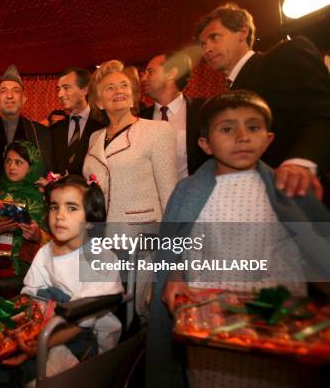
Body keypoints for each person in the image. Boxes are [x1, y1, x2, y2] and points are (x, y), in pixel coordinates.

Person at [146, 91, 330, 387]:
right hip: (209, 330)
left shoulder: (287, 190)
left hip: (276, 329)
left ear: (268, 139)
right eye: (227, 128)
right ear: (205, 144)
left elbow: (319, 255)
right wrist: (175, 277)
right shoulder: (187, 191)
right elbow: (174, 248)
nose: (242, 136)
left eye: (253, 127)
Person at [0, 174, 124, 387]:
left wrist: (40, 345)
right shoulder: (46, 251)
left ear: (90, 220)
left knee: (4, 377)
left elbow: (82, 323)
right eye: (54, 207)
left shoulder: (100, 259)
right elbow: (29, 294)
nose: (59, 216)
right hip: (41, 321)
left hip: (82, 334)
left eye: (71, 208)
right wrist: (1, 315)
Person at [196, 2, 330, 199]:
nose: (206, 49)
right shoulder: (224, 95)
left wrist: (300, 163)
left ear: (242, 32)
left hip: (299, 201)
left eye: (214, 37)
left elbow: (321, 113)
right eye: (203, 44)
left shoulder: (284, 55)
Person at [83, 59, 177, 318]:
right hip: (101, 241)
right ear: (99, 102)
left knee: (138, 318)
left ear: (134, 95)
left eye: (124, 85)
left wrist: (172, 258)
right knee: (106, 317)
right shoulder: (94, 138)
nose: (119, 91)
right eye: (110, 87)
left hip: (142, 243)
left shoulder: (157, 131)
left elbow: (171, 196)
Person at [0, 65, 53, 194]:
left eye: (15, 90)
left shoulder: (40, 132)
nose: (9, 96)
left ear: (23, 99)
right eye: (3, 91)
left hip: (29, 207)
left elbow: (47, 173)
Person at [0, 140, 48, 277]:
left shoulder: (43, 198)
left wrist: (37, 236)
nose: (11, 167)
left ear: (32, 166)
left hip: (27, 271)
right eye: (8, 161)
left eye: (18, 162)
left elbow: (56, 241)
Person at [140, 51, 207, 178]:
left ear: (171, 74)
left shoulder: (202, 111)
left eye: (150, 72)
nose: (143, 78)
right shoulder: (140, 118)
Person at [51, 68, 105, 176]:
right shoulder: (55, 130)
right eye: (59, 89)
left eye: (66, 88)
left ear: (84, 90)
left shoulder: (103, 125)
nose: (60, 94)